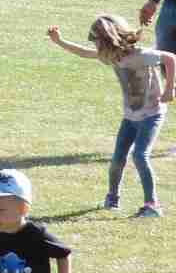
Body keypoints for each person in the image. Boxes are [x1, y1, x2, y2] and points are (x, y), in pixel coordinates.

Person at [46, 15, 175, 216]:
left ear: (109, 39)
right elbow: (82, 52)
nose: (95, 46)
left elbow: (170, 58)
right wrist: (59, 41)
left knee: (140, 156)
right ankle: (112, 197)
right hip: (130, 117)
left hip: (151, 115)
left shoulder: (141, 55)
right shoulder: (110, 56)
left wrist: (169, 89)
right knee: (117, 159)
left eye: (96, 40)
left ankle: (152, 205)